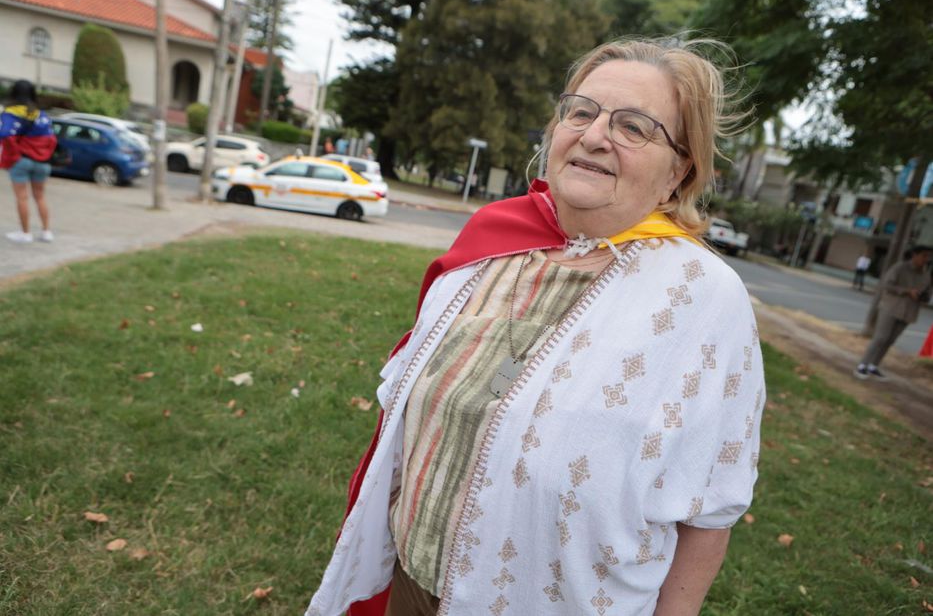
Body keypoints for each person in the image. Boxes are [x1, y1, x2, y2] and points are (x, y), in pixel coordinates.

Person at [306, 36, 765, 616]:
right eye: (582, 112)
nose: (595, 136)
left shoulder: (704, 299)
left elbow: (709, 512)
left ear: (679, 170)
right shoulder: (492, 245)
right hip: (412, 583)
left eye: (633, 127)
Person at [854, 245, 932, 380]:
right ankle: (862, 365)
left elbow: (927, 294)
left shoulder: (925, 275)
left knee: (890, 340)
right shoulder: (900, 268)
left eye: (928, 256)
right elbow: (887, 285)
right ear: (915, 255)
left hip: (909, 312)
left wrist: (923, 296)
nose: (927, 259)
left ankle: (873, 366)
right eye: (924, 255)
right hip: (891, 307)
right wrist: (907, 291)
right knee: (880, 338)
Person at [0, 80, 57, 244]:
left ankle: (25, 233)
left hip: (21, 160)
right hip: (43, 162)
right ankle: (46, 232)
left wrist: (12, 156)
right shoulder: (41, 115)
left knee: (22, 198)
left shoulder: (10, 113)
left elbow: (4, 135)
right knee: (40, 197)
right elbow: (51, 139)